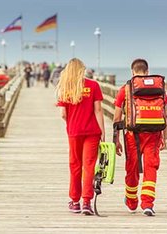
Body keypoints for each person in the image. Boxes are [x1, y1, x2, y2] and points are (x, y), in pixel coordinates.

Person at [113, 58, 167, 216]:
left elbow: (117, 117)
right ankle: (147, 204)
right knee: (151, 167)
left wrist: (116, 140)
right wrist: (165, 136)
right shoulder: (159, 88)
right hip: (154, 134)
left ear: (132, 71)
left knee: (132, 168)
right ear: (147, 71)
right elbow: (165, 114)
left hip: (132, 135)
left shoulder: (126, 89)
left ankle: (131, 202)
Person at [56, 58, 105, 215]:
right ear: (82, 70)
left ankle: (75, 201)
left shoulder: (65, 88)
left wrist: (71, 122)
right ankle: (86, 202)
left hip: (74, 132)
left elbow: (63, 114)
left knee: (75, 166)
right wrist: (103, 131)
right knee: (89, 166)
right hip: (92, 131)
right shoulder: (93, 85)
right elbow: (98, 110)